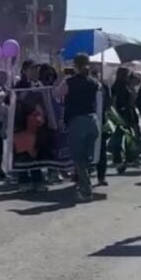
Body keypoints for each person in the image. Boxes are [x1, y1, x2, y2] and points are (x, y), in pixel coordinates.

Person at [57, 53, 100, 201]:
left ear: (75, 65)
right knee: (87, 158)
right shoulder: (94, 82)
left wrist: (61, 78)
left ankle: (86, 190)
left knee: (78, 158)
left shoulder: (69, 81)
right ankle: (84, 182)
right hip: (93, 121)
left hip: (77, 122)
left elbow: (56, 93)